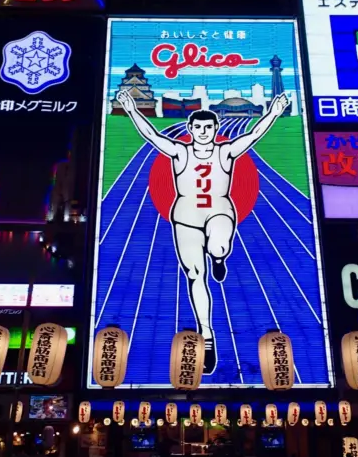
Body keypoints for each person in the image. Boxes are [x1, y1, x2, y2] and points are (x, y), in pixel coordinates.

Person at [117, 89, 289, 373]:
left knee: (219, 246)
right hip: (186, 217)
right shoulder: (180, 152)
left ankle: (219, 257)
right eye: (198, 127)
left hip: (219, 211)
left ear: (215, 129)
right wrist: (132, 110)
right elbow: (152, 137)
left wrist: (273, 112)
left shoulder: (226, 151)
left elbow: (253, 136)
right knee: (196, 275)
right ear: (190, 129)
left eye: (208, 127)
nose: (203, 131)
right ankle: (207, 335)